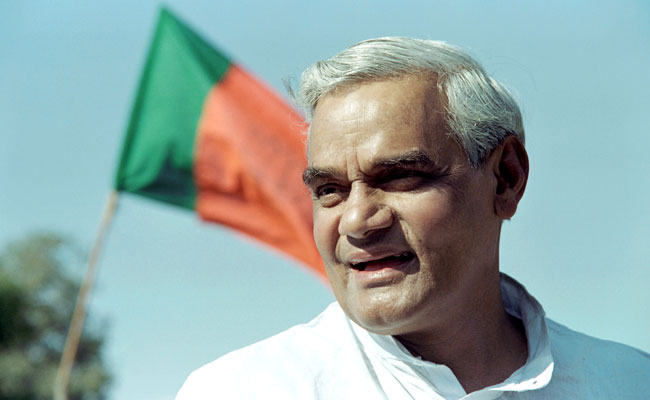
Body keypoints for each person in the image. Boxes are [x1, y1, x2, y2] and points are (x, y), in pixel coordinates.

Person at [176, 37, 650, 399]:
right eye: (329, 191)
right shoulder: (241, 389)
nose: (357, 221)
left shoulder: (628, 383)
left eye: (400, 177)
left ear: (506, 178)